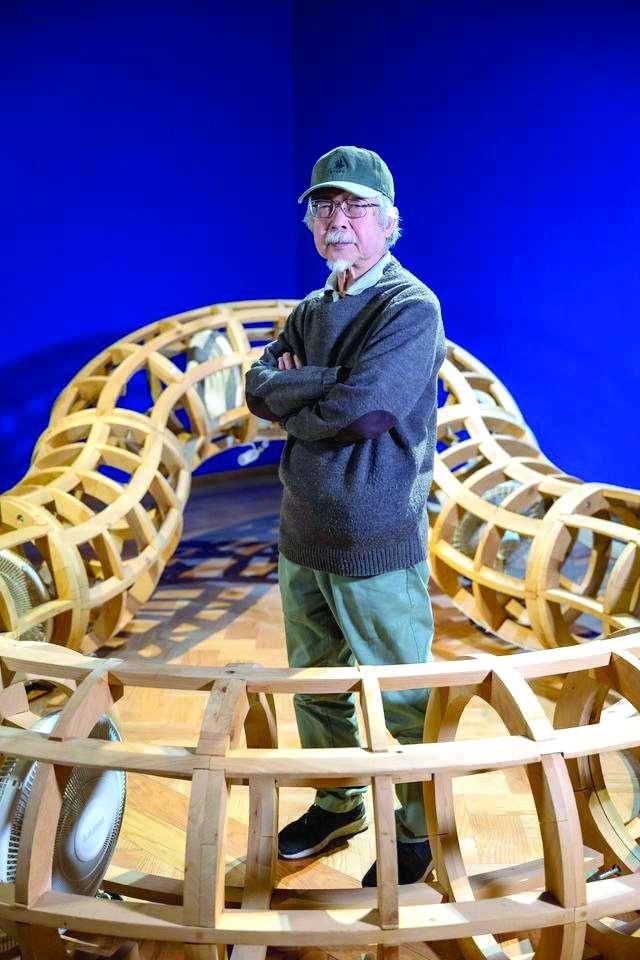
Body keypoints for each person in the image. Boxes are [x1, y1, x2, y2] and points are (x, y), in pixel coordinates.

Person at [244, 145, 445, 886]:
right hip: (302, 530)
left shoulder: (409, 307)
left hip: (374, 537)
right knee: (317, 684)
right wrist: (323, 385)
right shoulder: (310, 308)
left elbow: (368, 413)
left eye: (356, 207)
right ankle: (339, 805)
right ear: (310, 222)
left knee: (402, 692)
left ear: (389, 223)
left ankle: (419, 830)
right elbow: (257, 390)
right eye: (325, 206)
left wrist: (302, 394)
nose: (339, 219)